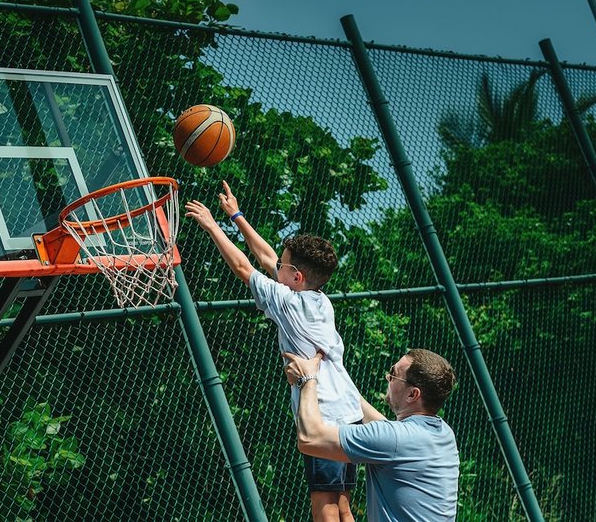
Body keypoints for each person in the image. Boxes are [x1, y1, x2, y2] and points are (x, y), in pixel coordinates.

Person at [185, 181, 364, 522]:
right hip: (348, 411)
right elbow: (268, 257)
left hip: (322, 413)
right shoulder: (320, 300)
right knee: (342, 503)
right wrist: (236, 216)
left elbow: (244, 267)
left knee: (324, 505)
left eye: (283, 267)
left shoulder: (286, 301)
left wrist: (212, 225)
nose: (275, 267)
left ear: (295, 277)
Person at [283, 348, 460, 521]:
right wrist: (334, 367)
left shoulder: (395, 439)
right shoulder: (444, 434)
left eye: (394, 374)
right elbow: (379, 424)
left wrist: (307, 379)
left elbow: (309, 439)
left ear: (412, 394)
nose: (387, 377)